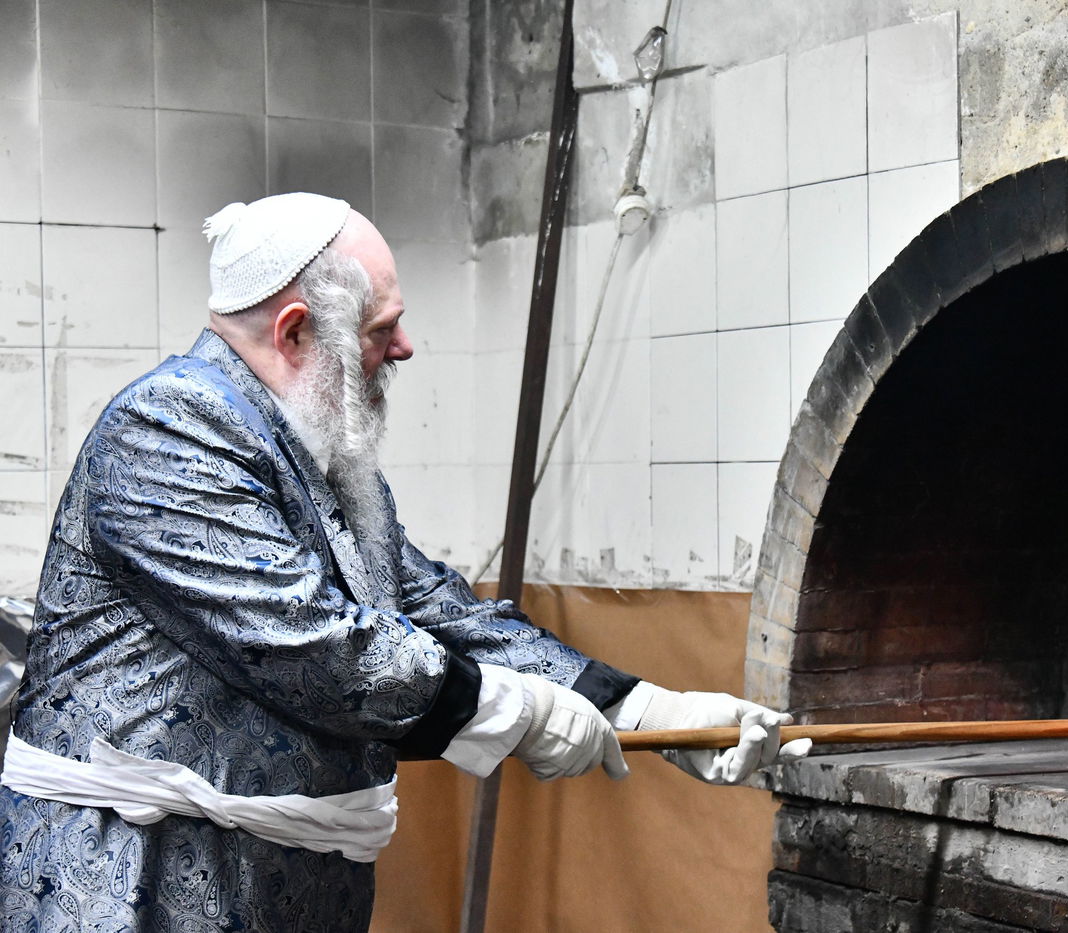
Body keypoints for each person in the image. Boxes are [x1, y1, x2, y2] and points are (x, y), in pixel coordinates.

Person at [0, 193, 809, 932]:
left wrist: (646, 709)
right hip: (134, 878)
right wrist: (512, 710)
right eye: (381, 329)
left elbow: (434, 609)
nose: (405, 347)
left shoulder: (322, 453)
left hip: (282, 884)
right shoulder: (167, 427)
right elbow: (307, 643)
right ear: (295, 332)